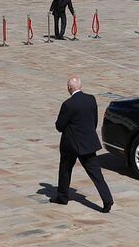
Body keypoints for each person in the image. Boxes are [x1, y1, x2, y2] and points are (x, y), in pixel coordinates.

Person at [51, 75, 113, 213]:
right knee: (96, 174)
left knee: (65, 170)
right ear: (81, 87)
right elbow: (94, 121)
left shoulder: (68, 104)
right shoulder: (91, 99)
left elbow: (60, 126)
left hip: (71, 145)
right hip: (88, 143)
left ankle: (62, 197)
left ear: (69, 88)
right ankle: (107, 200)